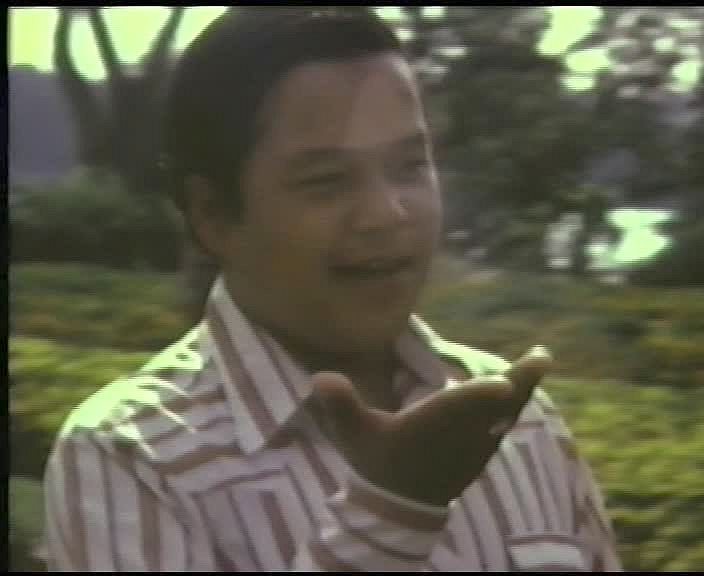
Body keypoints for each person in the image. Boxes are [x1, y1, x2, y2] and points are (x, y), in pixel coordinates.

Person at [44, 7, 622, 572]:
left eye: (409, 166)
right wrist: (393, 512)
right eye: (327, 181)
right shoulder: (131, 457)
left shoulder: (518, 422)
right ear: (212, 215)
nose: (386, 213)